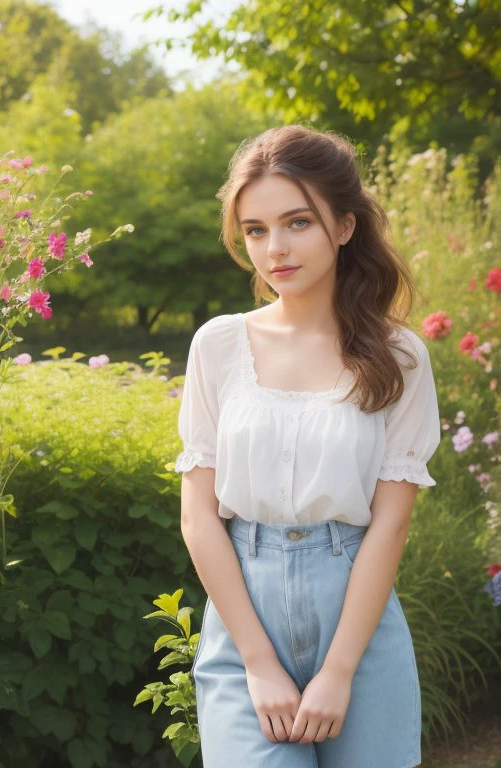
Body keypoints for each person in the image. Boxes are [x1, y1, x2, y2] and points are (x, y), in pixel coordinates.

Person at [173, 123, 441, 768]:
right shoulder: (219, 344)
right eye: (256, 230)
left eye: (297, 222)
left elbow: (392, 521)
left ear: (344, 227)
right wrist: (259, 664)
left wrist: (339, 669)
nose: (275, 249)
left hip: (356, 618)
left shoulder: (398, 355)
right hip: (244, 619)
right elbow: (198, 515)